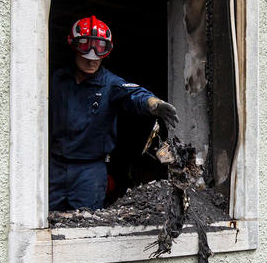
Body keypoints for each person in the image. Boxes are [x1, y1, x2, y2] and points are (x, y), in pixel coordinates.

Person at [49, 16, 179, 211]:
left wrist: (153, 103)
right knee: (44, 221)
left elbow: (135, 94)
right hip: (54, 167)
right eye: (86, 56)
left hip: (89, 172)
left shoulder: (111, 84)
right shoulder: (57, 79)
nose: (92, 61)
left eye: (97, 57)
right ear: (74, 48)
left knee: (86, 225)